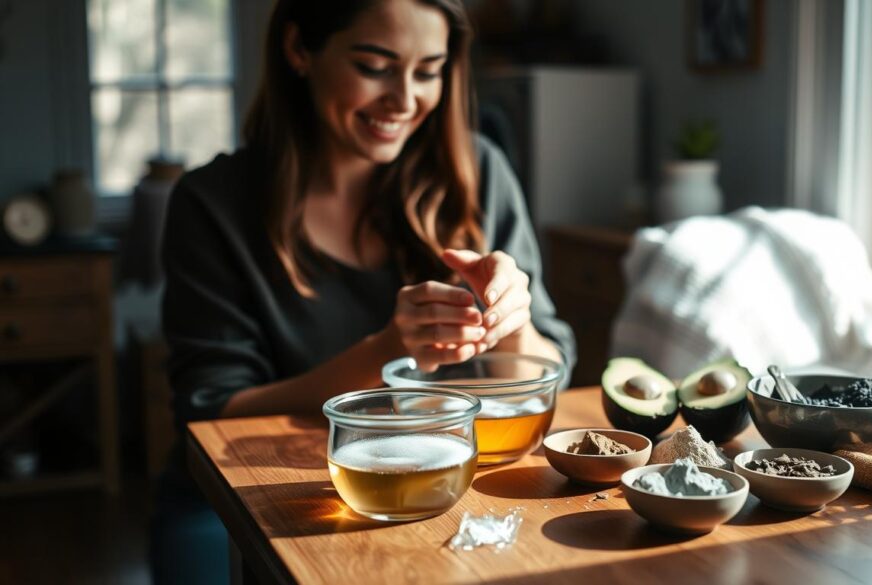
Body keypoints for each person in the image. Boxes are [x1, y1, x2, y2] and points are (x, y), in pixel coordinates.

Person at [149, 0, 576, 582]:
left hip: (436, 488)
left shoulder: (479, 172)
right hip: (243, 498)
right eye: (375, 66)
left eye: (428, 71)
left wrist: (513, 319)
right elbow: (214, 408)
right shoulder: (212, 205)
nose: (404, 100)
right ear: (299, 49)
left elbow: (549, 372)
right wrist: (386, 353)